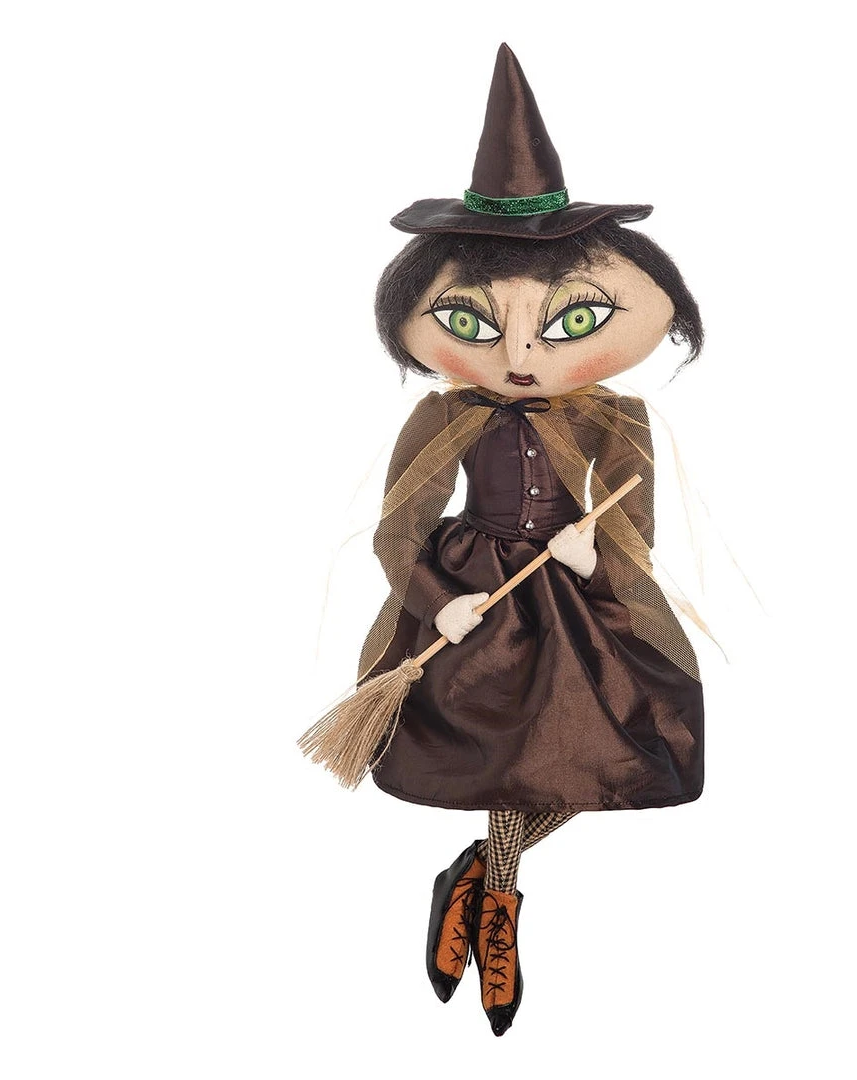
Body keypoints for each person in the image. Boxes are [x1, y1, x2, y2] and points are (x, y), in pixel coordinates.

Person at [356, 44, 706, 1036]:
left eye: (568, 319)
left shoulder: (617, 416)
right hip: (479, 600)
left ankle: (479, 880)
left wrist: (602, 554)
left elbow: (632, 517)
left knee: (613, 747)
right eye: (477, 322)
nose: (519, 355)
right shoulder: (443, 416)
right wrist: (440, 604)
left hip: (574, 594)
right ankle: (498, 901)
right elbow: (398, 529)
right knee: (516, 757)